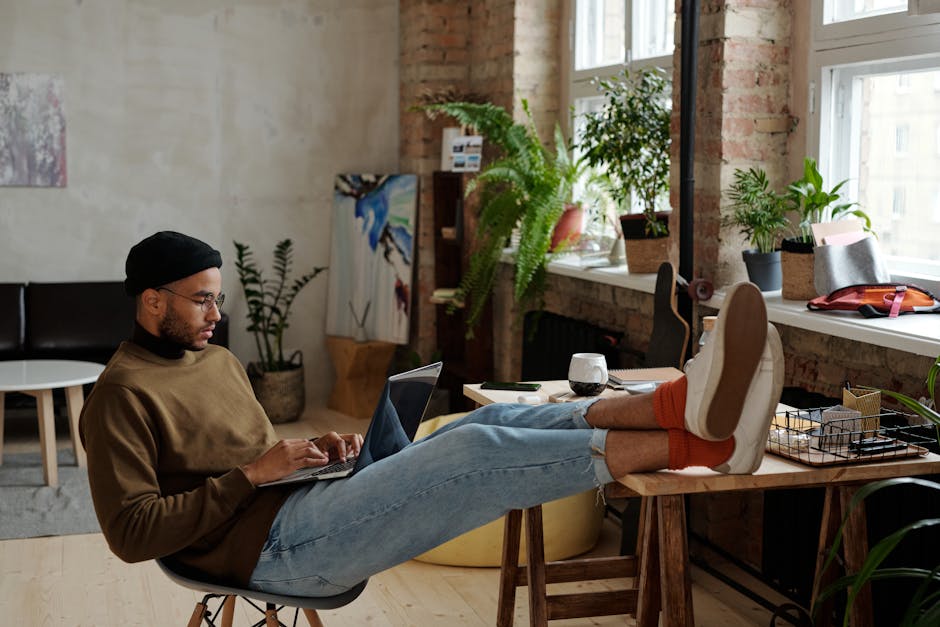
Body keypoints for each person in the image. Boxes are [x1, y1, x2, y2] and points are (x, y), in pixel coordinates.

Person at [80, 231, 784, 598]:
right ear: (152, 301)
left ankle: (682, 412)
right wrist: (254, 473)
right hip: (273, 554)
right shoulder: (120, 393)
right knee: (472, 455)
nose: (218, 313)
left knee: (479, 423)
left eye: (218, 298)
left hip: (300, 510)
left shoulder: (218, 362)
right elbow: (131, 532)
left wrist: (310, 452)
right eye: (202, 300)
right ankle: (700, 444)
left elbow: (253, 459)